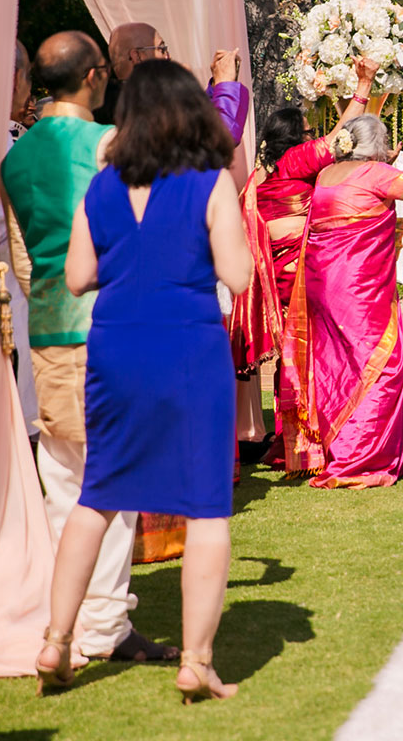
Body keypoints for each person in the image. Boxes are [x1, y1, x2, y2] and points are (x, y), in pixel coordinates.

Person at [34, 59, 253, 703]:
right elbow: (238, 277)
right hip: (188, 347)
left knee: (97, 495)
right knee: (207, 506)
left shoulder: (99, 189)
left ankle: (55, 642)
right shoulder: (209, 183)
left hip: (115, 349)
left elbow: (76, 277)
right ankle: (197, 660)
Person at [0, 30, 178, 667]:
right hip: (108, 326)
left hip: (47, 326)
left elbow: (22, 260)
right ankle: (104, 626)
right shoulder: (107, 145)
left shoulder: (14, 160)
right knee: (112, 481)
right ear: (97, 76)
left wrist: (48, 297)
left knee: (63, 476)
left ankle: (70, 616)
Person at [297, 110, 403, 488]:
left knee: (338, 366)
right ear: (377, 147)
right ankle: (361, 460)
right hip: (360, 291)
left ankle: (340, 448)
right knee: (380, 365)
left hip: (323, 287)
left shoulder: (326, 175)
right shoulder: (376, 175)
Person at [230, 60, 375, 472]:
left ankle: (285, 440)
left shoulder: (257, 176)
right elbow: (342, 137)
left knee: (287, 358)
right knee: (304, 355)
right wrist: (363, 86)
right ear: (296, 138)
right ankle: (304, 444)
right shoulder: (297, 161)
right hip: (300, 275)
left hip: (270, 278)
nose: (314, 136)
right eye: (308, 131)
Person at [97, 20, 250, 143]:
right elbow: (220, 137)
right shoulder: (145, 101)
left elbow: (197, 121)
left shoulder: (112, 100)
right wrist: (226, 84)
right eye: (162, 49)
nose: (168, 56)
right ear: (138, 56)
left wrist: (216, 86)